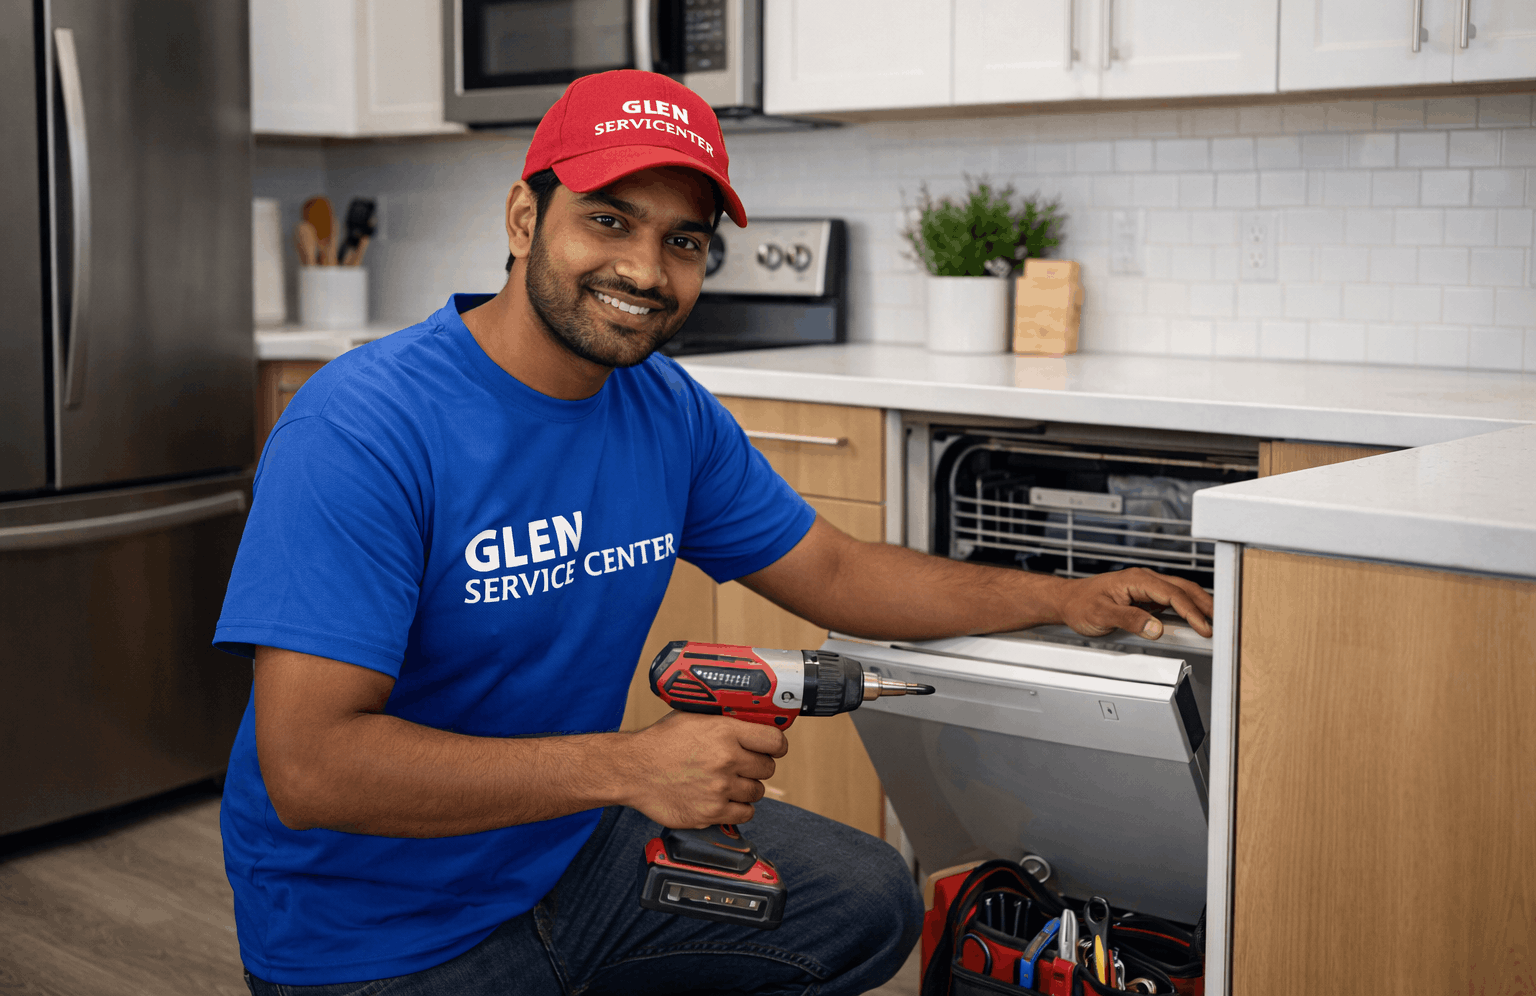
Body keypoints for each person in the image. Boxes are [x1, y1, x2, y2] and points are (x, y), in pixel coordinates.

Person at [215, 69, 1213, 996]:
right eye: (609, 220)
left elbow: (834, 569)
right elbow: (311, 768)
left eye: (683, 241)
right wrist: (632, 766)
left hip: (568, 849)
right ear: (524, 218)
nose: (645, 269)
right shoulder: (365, 424)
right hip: (376, 938)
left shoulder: (663, 410)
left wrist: (1062, 597)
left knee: (868, 898)